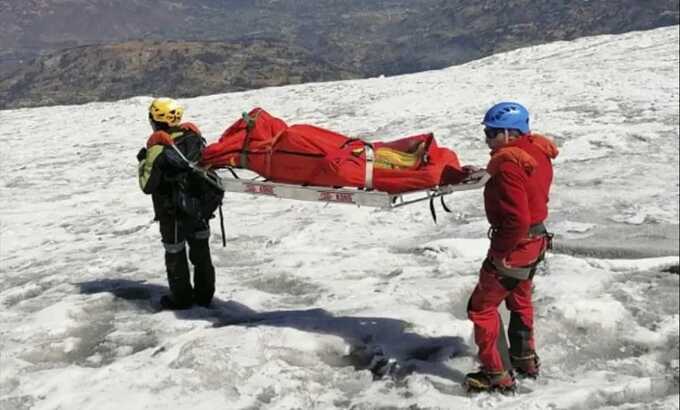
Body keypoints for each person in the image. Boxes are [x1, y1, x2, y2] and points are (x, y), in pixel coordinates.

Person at [464, 102, 558, 392]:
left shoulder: (507, 164)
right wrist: (487, 172)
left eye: (492, 133)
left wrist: (500, 255)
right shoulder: (536, 150)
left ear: (508, 133)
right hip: (536, 241)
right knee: (519, 299)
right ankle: (524, 358)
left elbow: (517, 219)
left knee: (481, 307)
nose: (488, 139)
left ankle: (497, 375)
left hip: (516, 246)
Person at [137, 97, 220, 310]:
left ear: (155, 119)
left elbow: (147, 185)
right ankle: (204, 296)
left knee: (175, 253)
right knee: (201, 250)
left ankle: (181, 299)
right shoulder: (195, 137)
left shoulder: (158, 147)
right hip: (199, 207)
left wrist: (143, 162)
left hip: (172, 211)